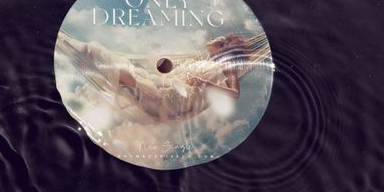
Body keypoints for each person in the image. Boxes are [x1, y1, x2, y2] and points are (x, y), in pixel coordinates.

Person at [55, 30, 265, 125]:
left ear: (225, 47)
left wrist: (207, 83)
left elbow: (235, 93)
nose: (212, 38)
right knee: (114, 68)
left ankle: (64, 43)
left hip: (170, 99)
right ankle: (66, 45)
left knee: (104, 60)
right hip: (163, 91)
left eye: (219, 39)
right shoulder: (201, 60)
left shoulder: (227, 67)